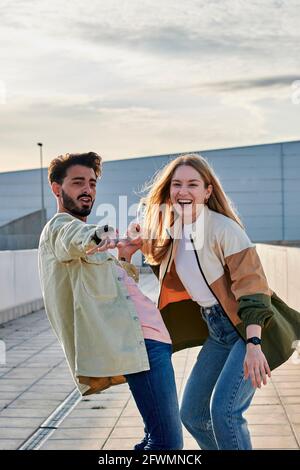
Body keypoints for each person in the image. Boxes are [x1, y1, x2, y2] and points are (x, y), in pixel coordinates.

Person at [140, 153, 300, 450]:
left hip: (246, 329)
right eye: (177, 184)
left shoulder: (224, 229)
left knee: (224, 413)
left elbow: (253, 288)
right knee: (193, 414)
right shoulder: (174, 232)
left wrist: (254, 346)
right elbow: (168, 273)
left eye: (192, 184)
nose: (183, 191)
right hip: (218, 332)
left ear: (207, 191)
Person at [38, 152, 183, 451]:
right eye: (78, 182)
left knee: (157, 441)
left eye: (92, 183)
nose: (87, 189)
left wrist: (126, 253)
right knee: (167, 446)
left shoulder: (88, 240)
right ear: (56, 188)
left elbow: (114, 285)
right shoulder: (60, 228)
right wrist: (100, 233)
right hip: (142, 346)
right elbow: (75, 237)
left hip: (149, 343)